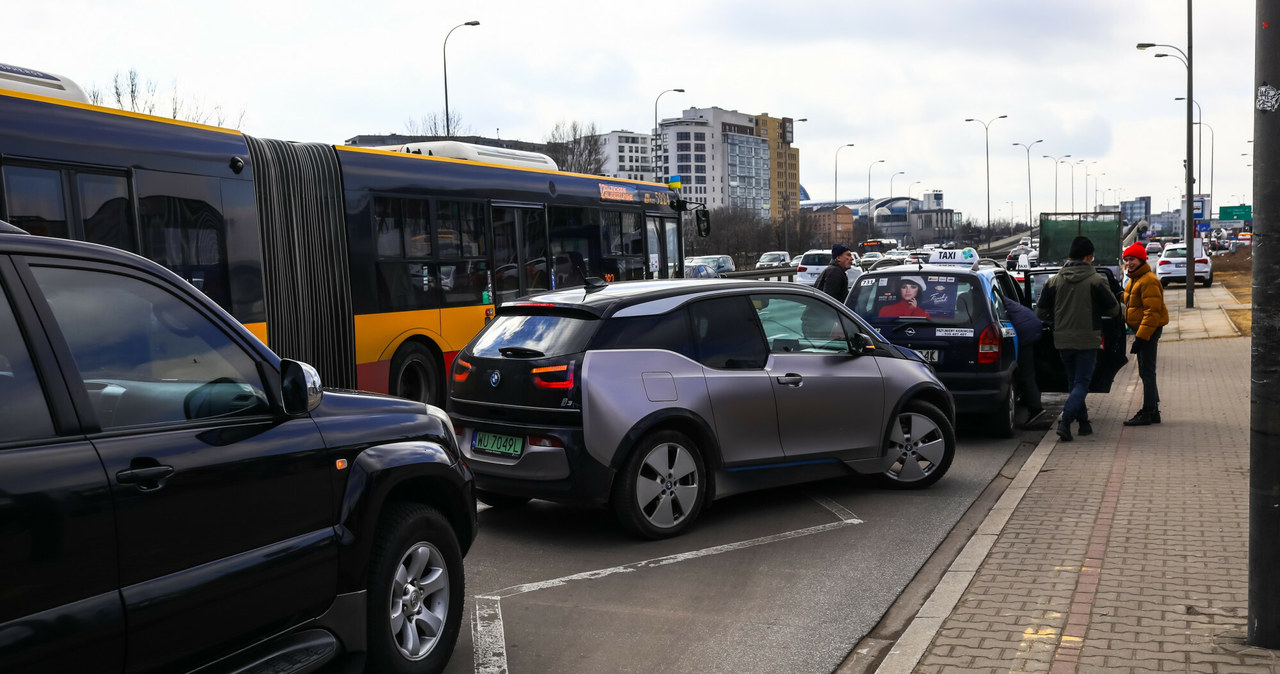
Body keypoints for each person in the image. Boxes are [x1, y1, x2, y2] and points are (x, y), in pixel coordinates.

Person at [1036, 236, 1120, 442]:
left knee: (1074, 382)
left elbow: (1040, 313)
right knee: (1082, 383)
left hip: (1062, 340)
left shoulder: (1053, 281)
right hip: (1088, 340)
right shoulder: (1096, 281)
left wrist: (1058, 317)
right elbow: (1114, 309)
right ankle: (1066, 421)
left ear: (1070, 256)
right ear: (1089, 257)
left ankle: (1083, 425)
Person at [1120, 241, 1169, 426]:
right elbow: (1132, 302)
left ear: (1141, 259)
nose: (1129, 263)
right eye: (1126, 260)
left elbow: (1152, 312)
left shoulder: (1148, 280)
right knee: (1145, 371)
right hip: (1143, 329)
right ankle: (1153, 409)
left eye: (1132, 259)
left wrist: (1141, 336)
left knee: (1147, 371)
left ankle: (1148, 411)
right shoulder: (1135, 279)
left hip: (1148, 330)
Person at [1004, 298, 1044, 421]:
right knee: (1027, 369)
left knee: (1026, 372)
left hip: (1025, 331)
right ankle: (1028, 399)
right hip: (1030, 325)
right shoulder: (998, 296)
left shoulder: (988, 296)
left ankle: (1036, 409)